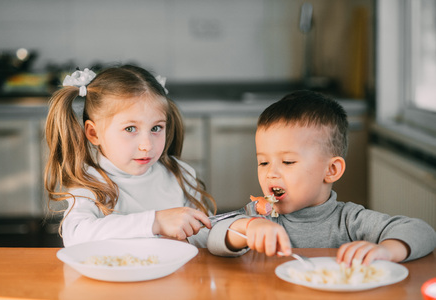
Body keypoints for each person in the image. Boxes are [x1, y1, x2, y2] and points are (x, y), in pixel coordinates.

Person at [207, 90, 436, 265]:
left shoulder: (349, 220)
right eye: (263, 162)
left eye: (288, 162)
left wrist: (387, 250)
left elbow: (421, 231)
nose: (271, 173)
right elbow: (211, 237)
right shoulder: (260, 216)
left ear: (331, 170)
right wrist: (247, 229)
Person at [44, 65, 216, 247]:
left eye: (156, 128)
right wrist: (155, 222)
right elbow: (75, 235)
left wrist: (236, 235)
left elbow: (204, 232)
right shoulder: (88, 183)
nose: (147, 145)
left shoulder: (180, 174)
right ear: (94, 133)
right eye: (130, 129)